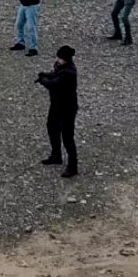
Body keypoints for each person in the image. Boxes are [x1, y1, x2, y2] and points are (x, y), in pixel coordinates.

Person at [34, 45, 79, 178]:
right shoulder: (63, 67)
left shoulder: (69, 73)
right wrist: (46, 75)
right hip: (56, 106)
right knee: (52, 128)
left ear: (65, 59)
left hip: (67, 109)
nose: (57, 60)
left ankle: (73, 166)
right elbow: (55, 75)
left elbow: (54, 85)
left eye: (60, 58)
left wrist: (43, 80)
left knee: (67, 138)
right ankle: (56, 155)